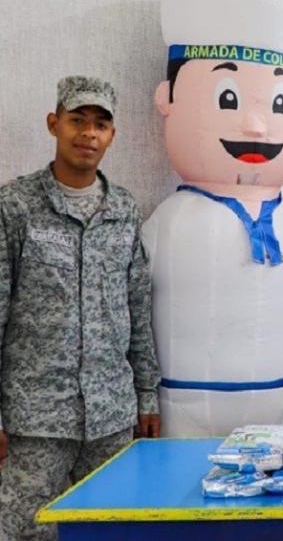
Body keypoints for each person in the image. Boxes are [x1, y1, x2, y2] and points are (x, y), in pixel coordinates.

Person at [145, 0, 283, 436]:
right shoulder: (169, 222)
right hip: (186, 404)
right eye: (229, 98)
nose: (256, 124)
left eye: (278, 103)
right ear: (168, 100)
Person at [0, 77, 160, 540]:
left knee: (110, 529)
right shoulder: (15, 206)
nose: (88, 133)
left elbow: (137, 307)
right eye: (77, 121)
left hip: (111, 413)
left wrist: (147, 394)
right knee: (24, 532)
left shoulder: (123, 209)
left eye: (101, 124)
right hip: (35, 418)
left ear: (112, 136)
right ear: (54, 124)